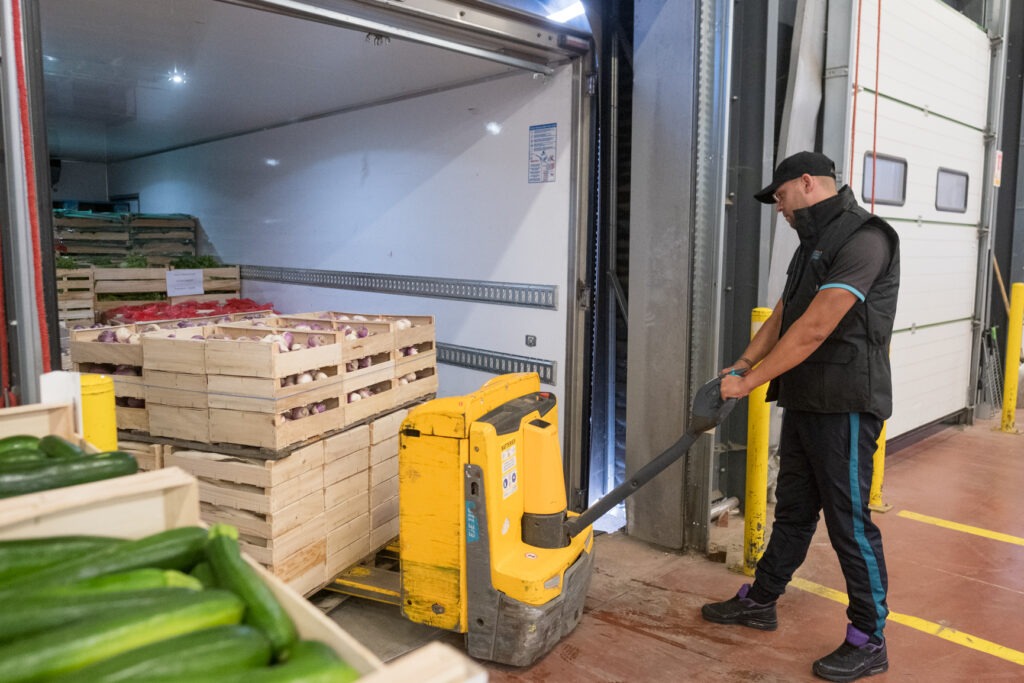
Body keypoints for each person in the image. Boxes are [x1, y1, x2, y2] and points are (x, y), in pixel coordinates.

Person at [702, 151, 900, 682]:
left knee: (849, 524)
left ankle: (869, 639)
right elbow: (785, 316)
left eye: (781, 196)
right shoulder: (812, 242)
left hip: (846, 405)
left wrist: (749, 384)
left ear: (807, 183)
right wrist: (742, 364)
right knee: (792, 510)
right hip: (807, 399)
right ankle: (761, 601)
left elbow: (815, 328)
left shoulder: (865, 238)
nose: (779, 208)